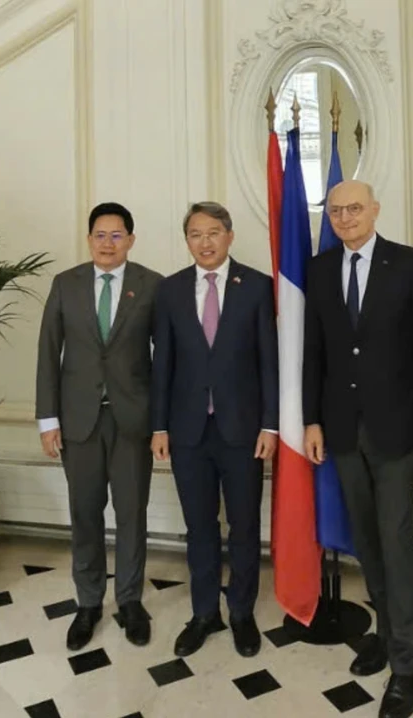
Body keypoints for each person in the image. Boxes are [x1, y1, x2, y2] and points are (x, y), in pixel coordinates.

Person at [302, 180, 413, 718]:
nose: (344, 217)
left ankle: (407, 665)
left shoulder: (409, 264)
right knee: (367, 539)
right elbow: (312, 351)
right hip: (340, 431)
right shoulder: (319, 269)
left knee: (396, 538)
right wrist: (311, 420)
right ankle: (385, 633)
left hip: (398, 430)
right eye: (335, 210)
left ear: (375, 211)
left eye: (354, 208)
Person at [150, 201, 278, 659]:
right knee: (199, 526)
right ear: (187, 241)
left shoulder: (258, 287)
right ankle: (204, 612)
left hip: (244, 430)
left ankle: (241, 612)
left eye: (213, 233)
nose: (204, 242)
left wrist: (271, 425)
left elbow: (269, 362)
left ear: (229, 236)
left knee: (243, 526)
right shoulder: (169, 291)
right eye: (195, 235)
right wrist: (159, 426)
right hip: (187, 432)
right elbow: (161, 363)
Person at [35, 202, 162, 652]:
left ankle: (129, 601)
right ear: (88, 239)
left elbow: (164, 361)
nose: (107, 243)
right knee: (85, 515)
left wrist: (161, 423)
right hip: (79, 422)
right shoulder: (65, 285)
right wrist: (48, 420)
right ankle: (88, 602)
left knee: (132, 515)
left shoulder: (152, 286)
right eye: (99, 235)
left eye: (116, 235)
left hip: (132, 421)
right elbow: (49, 354)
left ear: (130, 239)